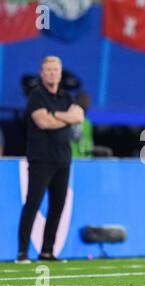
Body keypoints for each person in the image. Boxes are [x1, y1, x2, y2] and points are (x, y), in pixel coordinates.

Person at [16, 56, 84, 264]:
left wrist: (55, 114)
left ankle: (47, 251)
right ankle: (22, 253)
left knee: (57, 206)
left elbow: (79, 117)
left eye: (56, 69)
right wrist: (64, 117)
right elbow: (43, 122)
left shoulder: (65, 96)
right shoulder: (36, 96)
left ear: (60, 72)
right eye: (48, 70)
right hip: (41, 158)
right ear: (42, 73)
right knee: (33, 204)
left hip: (63, 158)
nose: (52, 73)